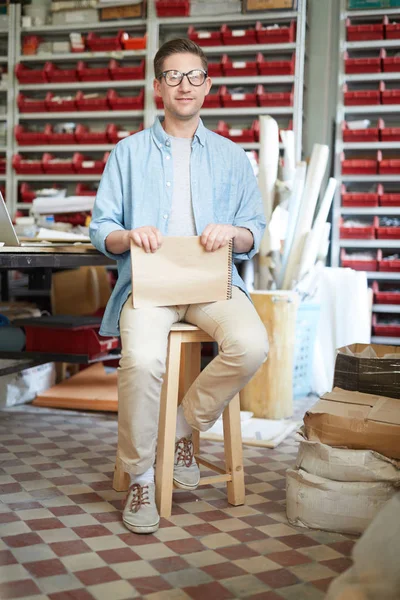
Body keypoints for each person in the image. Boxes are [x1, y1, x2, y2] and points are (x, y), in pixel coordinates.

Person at [89, 38, 269, 535]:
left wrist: (234, 233)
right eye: (173, 76)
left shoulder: (234, 158)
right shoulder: (126, 154)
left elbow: (256, 228)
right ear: (157, 87)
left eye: (194, 76)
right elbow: (99, 227)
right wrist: (128, 235)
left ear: (208, 85)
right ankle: (142, 475)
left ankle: (184, 428)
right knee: (144, 359)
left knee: (252, 345)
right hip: (148, 283)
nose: (184, 85)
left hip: (214, 283)